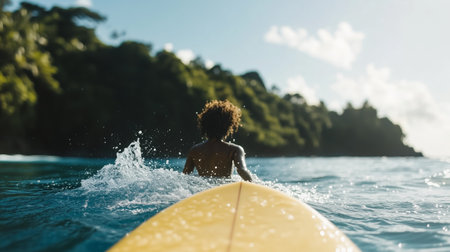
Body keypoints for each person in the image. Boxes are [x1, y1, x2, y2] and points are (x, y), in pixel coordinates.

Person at [183, 100, 253, 181]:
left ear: (204, 125)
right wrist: (255, 188)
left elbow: (185, 176)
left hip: (203, 190)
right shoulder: (234, 150)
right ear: (228, 126)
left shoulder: (195, 150)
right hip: (223, 190)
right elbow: (242, 170)